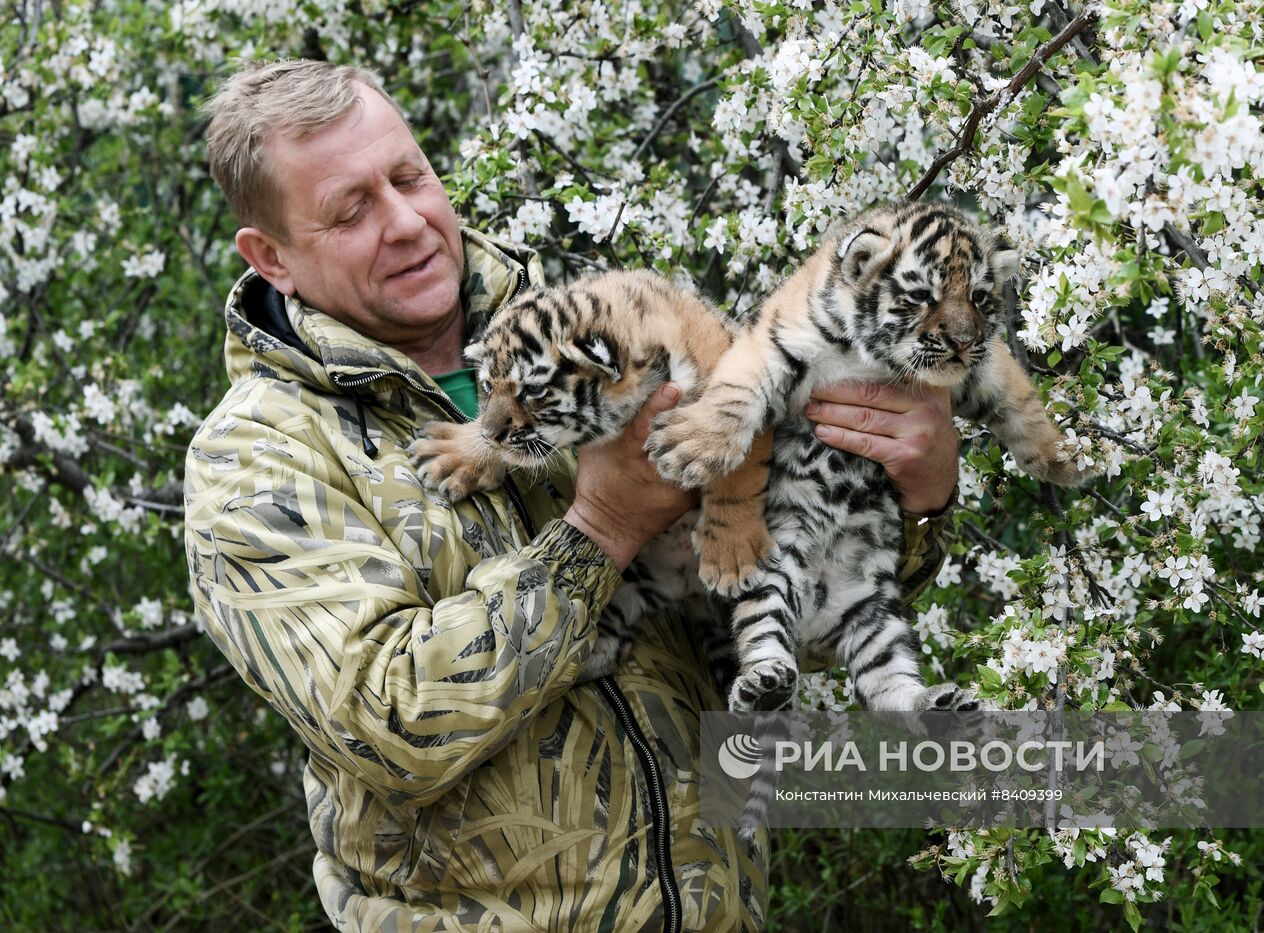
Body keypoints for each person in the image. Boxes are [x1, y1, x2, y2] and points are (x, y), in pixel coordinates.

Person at [184, 59, 961, 931]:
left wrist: (916, 499)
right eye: (350, 209)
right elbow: (390, 723)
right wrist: (601, 528)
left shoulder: (601, 323)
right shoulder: (258, 456)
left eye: (409, 177)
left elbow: (784, 626)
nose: (405, 223)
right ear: (272, 258)